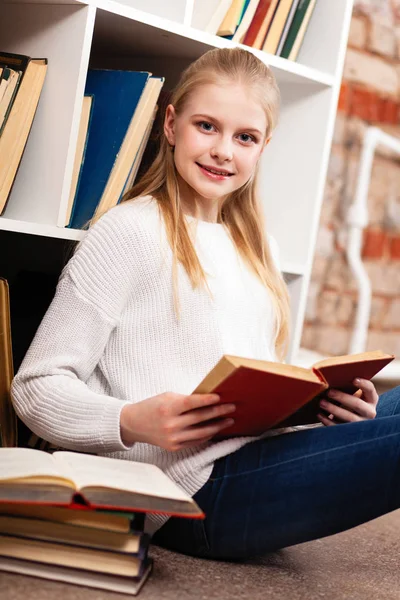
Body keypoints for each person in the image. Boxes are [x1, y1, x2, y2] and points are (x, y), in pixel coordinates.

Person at [11, 47, 400, 561]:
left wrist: (329, 413)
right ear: (171, 124)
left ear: (263, 148)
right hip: (187, 492)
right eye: (206, 126)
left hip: (253, 455)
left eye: (245, 137)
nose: (223, 151)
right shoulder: (127, 232)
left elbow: (257, 398)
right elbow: (35, 388)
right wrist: (131, 420)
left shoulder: (257, 250)